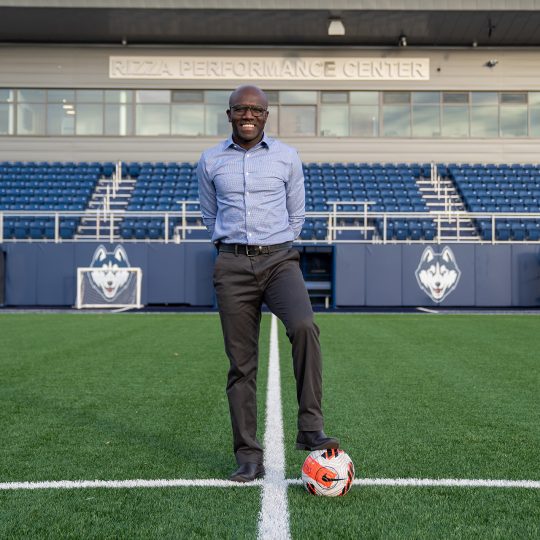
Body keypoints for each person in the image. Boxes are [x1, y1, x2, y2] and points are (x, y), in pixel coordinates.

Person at [197, 85, 339, 483]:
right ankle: (248, 456)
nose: (248, 115)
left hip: (279, 260)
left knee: (305, 326)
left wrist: (271, 246)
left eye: (255, 110)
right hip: (231, 264)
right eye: (240, 109)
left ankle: (310, 426)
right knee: (241, 365)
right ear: (229, 115)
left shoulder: (286, 157)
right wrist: (234, 250)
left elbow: (297, 214)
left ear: (265, 115)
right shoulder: (210, 161)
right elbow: (210, 216)